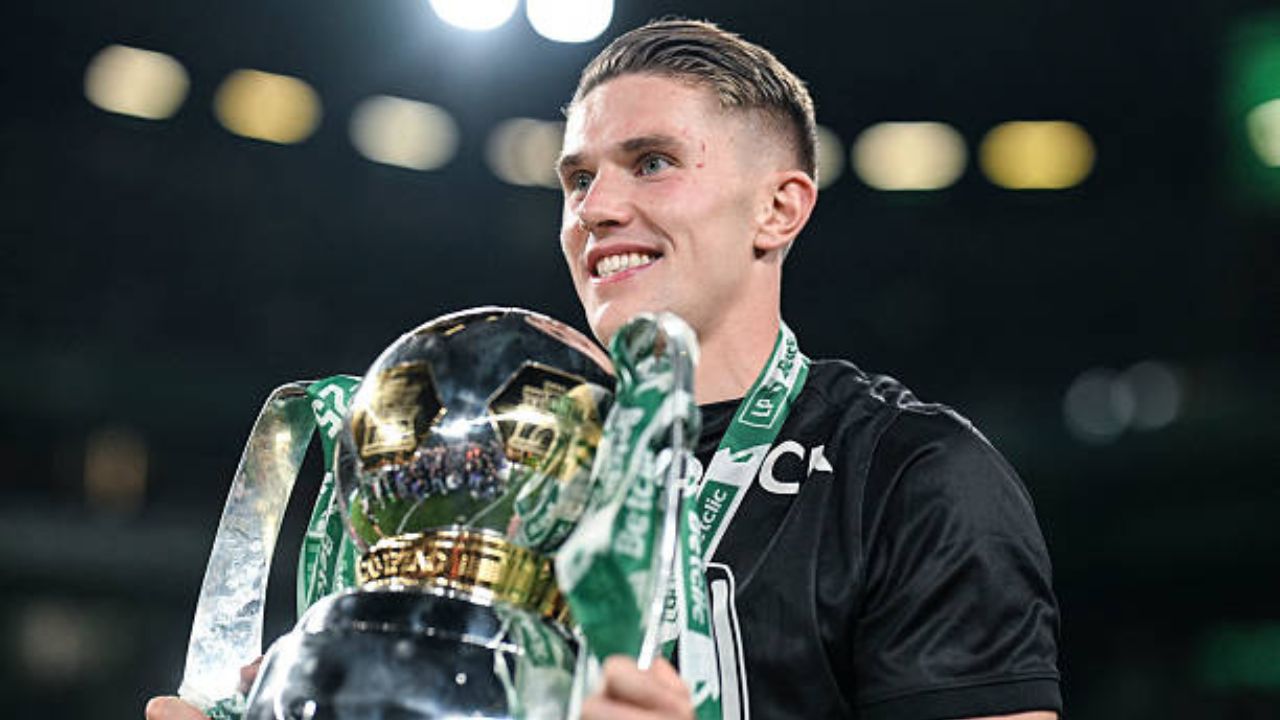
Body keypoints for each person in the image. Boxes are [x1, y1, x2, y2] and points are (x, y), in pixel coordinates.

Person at [149, 18, 1061, 720]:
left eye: (652, 163)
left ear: (779, 210)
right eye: (577, 179)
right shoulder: (486, 467)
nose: (597, 208)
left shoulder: (907, 475)